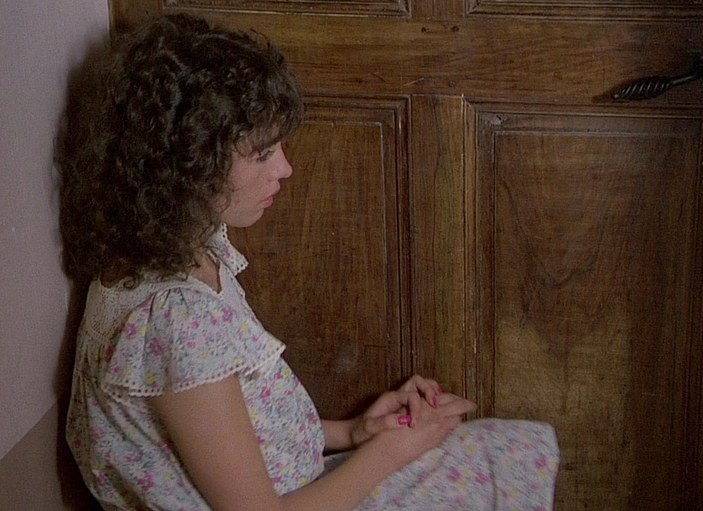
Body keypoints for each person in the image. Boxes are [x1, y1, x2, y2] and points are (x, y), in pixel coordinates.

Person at [57, 13, 559, 511]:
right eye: (262, 154)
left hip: (302, 486)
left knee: (501, 449)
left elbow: (234, 436)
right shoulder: (175, 321)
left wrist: (354, 432)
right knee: (495, 466)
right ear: (187, 166)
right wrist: (388, 452)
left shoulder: (184, 253)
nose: (286, 167)